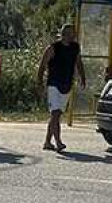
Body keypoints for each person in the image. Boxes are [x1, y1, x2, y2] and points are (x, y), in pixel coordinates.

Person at [37, 23, 86, 152]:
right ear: (63, 35)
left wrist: (82, 77)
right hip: (53, 83)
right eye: (69, 34)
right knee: (55, 113)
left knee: (57, 115)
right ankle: (58, 142)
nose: (72, 36)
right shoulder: (53, 48)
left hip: (67, 83)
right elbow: (42, 66)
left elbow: (78, 62)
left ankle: (47, 142)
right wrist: (40, 84)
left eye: (73, 33)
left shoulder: (75, 47)